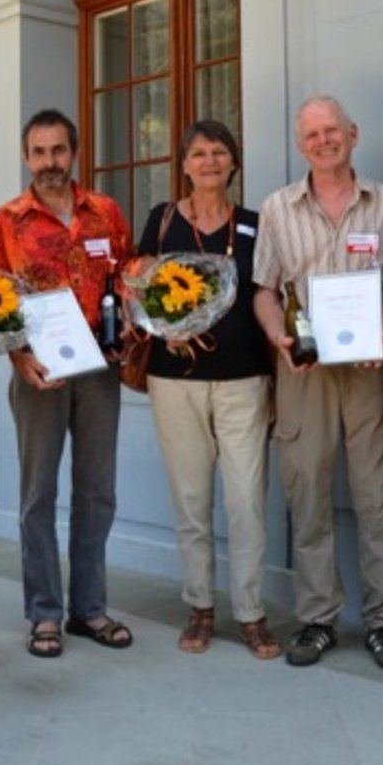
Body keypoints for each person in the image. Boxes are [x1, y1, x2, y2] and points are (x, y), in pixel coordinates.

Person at [251, 96, 383, 672]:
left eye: (332, 131)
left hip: (369, 369)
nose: (324, 141)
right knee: (307, 495)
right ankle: (317, 618)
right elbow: (265, 290)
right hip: (305, 368)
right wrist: (278, 337)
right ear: (301, 146)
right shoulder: (277, 208)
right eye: (312, 135)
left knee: (379, 497)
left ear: (353, 133)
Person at [0, 108, 134, 658]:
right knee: (37, 494)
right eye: (39, 152)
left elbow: (125, 278)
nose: (50, 162)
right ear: (27, 157)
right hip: (38, 371)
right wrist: (18, 357)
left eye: (58, 150)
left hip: (97, 368)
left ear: (74, 152)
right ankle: (44, 612)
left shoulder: (106, 213)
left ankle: (89, 608)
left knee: (97, 491)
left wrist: (130, 322)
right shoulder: (5, 222)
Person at [138, 120, 279, 659]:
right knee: (192, 501)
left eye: (219, 152)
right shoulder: (163, 220)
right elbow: (137, 285)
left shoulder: (255, 225)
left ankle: (252, 613)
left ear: (234, 161)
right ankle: (199, 607)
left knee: (246, 502)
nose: (209, 161)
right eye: (198, 153)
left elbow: (268, 293)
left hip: (244, 380)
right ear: (183, 165)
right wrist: (162, 327)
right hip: (176, 382)